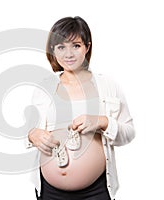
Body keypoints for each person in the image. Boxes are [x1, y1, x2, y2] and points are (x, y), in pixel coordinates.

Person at [26, 16, 135, 200]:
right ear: (53, 50)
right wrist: (32, 135)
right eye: (61, 47)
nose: (69, 54)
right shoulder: (44, 88)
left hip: (96, 192)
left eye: (76, 46)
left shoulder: (108, 86)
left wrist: (102, 122)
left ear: (87, 47)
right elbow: (32, 131)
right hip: (49, 192)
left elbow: (129, 133)